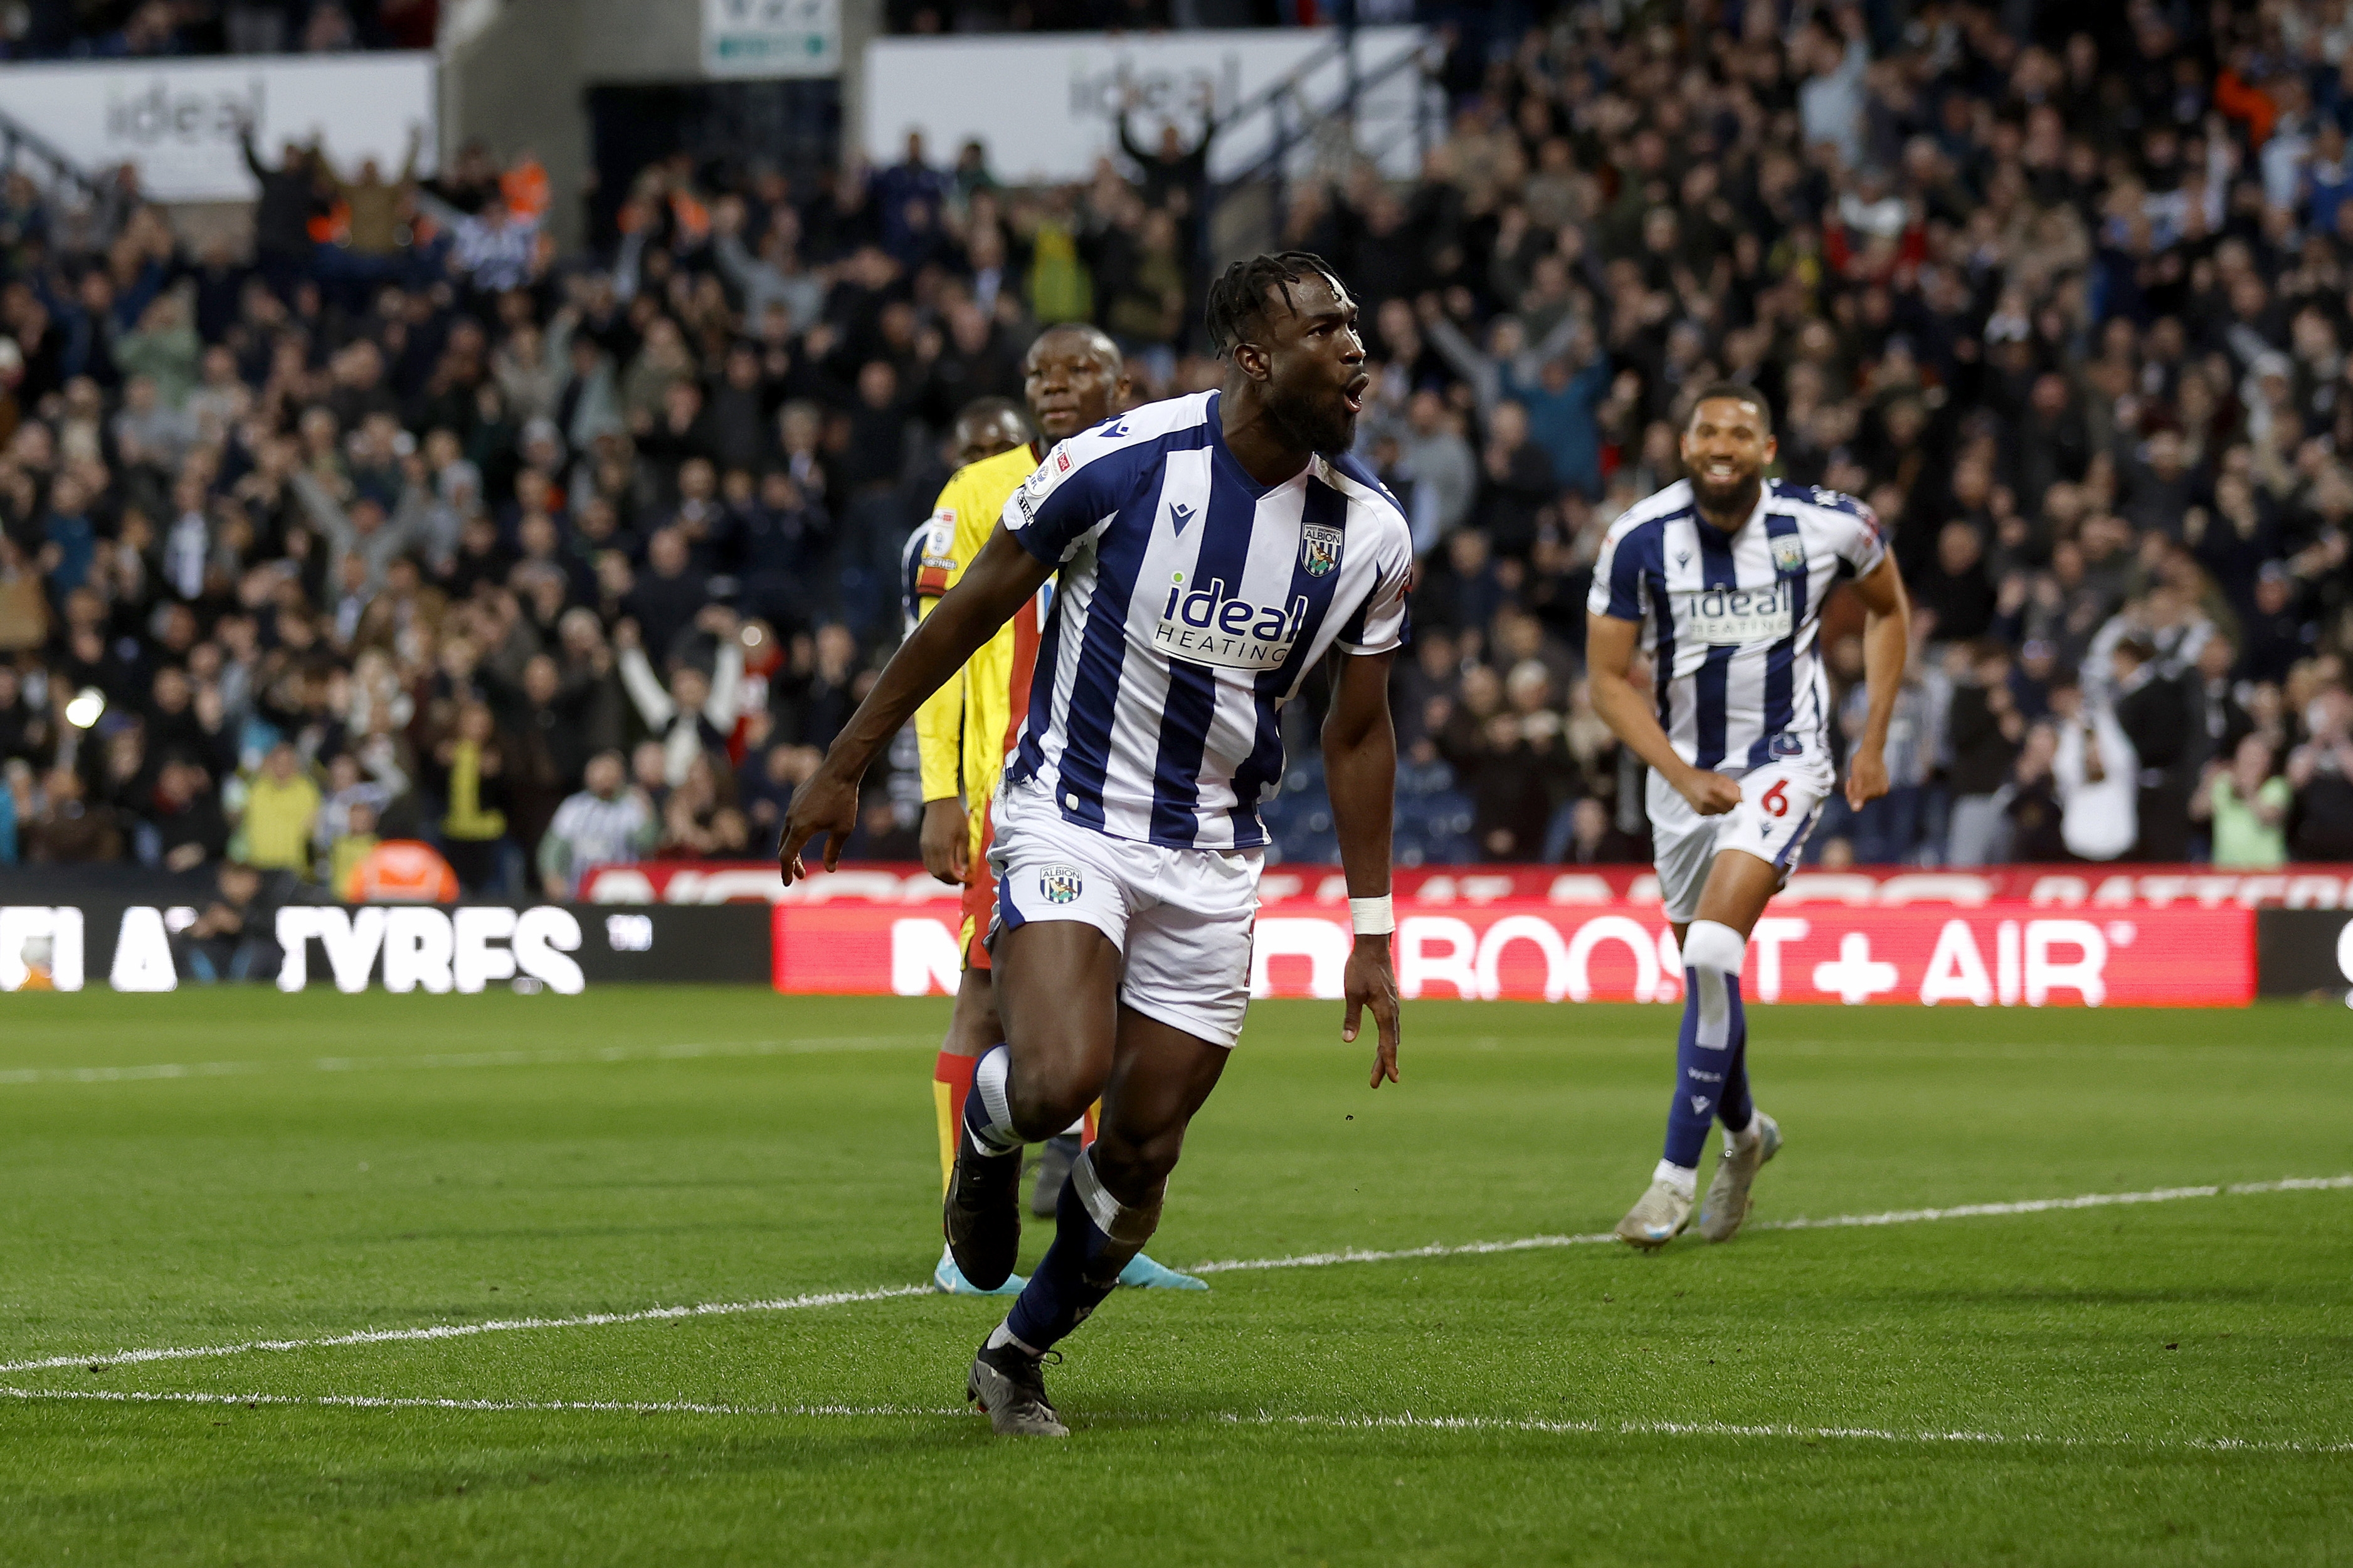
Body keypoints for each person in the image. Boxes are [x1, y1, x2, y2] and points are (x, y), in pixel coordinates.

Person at [780, 252, 1410, 1438]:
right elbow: (968, 609)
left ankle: (1015, 1353)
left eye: (1355, 329)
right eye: (1326, 331)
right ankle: (991, 1120)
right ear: (1254, 357)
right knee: (1062, 1075)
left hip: (1215, 862)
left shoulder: (1367, 531)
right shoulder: (1123, 464)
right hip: (1071, 818)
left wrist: (1370, 932)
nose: (1355, 350)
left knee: (1141, 1156)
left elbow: (1359, 732)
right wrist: (847, 762)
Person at [903, 349, 1202, 1298]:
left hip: (1129, 788)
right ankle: (964, 1238)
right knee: (988, 1001)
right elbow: (936, 642)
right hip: (1013, 788)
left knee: (1120, 1012)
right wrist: (940, 787)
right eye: (1040, 372)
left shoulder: (1151, 471)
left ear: (1125, 390)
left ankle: (1099, 1225)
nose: (1054, 385)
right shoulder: (983, 488)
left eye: (1081, 370)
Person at [1585, 386, 1910, 1250]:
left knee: (1714, 949)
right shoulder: (1638, 538)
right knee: (1704, 974)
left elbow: (1888, 611)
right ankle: (1746, 1137)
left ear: (1768, 449)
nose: (1721, 444)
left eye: (1740, 432)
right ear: (1683, 444)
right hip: (1683, 777)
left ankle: (1669, 1182)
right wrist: (1678, 772)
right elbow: (1608, 680)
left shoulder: (1833, 523)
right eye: (1706, 431)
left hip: (1785, 759)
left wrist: (1871, 738)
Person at [538, 749, 657, 898]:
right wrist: (551, 876)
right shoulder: (574, 807)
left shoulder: (632, 806)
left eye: (610, 770)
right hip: (578, 889)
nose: (605, 776)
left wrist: (647, 812)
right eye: (600, 770)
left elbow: (646, 843)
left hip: (623, 892)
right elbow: (552, 848)